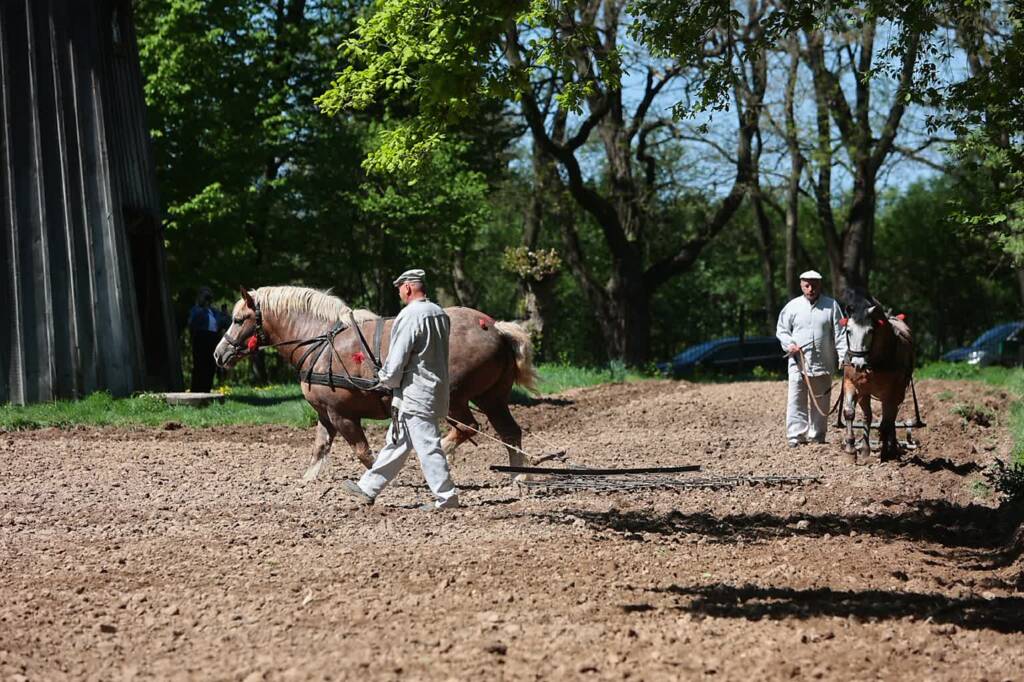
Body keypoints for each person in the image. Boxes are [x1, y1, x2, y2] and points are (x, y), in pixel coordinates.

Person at [338, 269, 459, 510]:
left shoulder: (410, 315)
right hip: (432, 390)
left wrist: (384, 379)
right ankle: (368, 488)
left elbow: (399, 357)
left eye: (400, 288)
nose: (400, 293)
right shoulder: (439, 313)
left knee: (428, 446)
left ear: (408, 287)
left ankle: (447, 498)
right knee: (397, 442)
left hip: (416, 393)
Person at [776, 270, 847, 448]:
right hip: (798, 362)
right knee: (796, 398)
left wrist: (843, 357)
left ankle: (817, 436)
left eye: (814, 285)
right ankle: (796, 436)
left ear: (820, 285)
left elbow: (840, 334)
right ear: (801, 285)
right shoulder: (792, 307)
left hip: (824, 362)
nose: (810, 289)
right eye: (806, 285)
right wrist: (789, 344)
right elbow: (782, 330)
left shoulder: (832, 306)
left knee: (821, 400)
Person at [187, 286, 221, 393]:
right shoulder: (196, 310)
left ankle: (207, 390)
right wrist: (202, 306)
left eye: (208, 296)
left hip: (213, 338)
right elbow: (192, 322)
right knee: (200, 365)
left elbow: (223, 320)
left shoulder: (214, 312)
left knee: (211, 365)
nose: (207, 299)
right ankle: (196, 390)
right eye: (204, 295)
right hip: (201, 337)